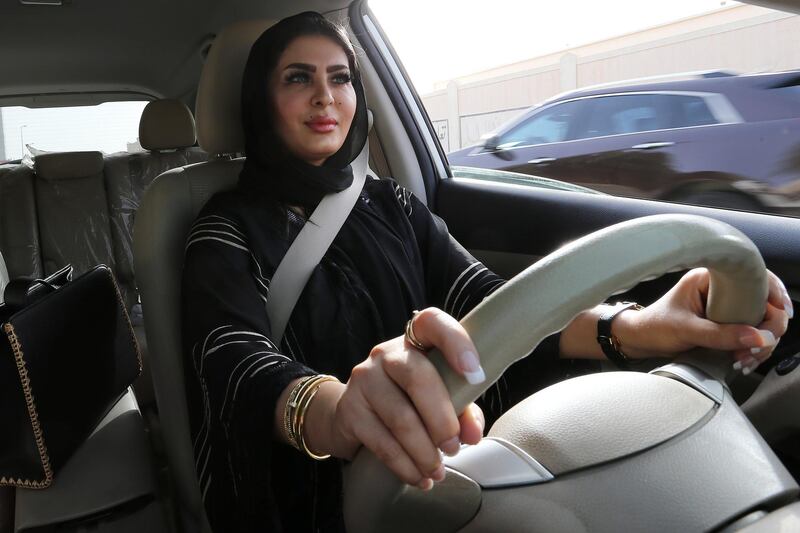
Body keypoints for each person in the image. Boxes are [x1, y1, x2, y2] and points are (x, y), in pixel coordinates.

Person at [181, 11, 792, 532]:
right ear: (263, 101)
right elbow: (236, 361)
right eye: (298, 79)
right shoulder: (223, 228)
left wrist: (636, 325)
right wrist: (338, 410)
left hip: (451, 472)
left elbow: (495, 305)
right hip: (322, 502)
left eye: (340, 79)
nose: (325, 97)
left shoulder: (391, 204)